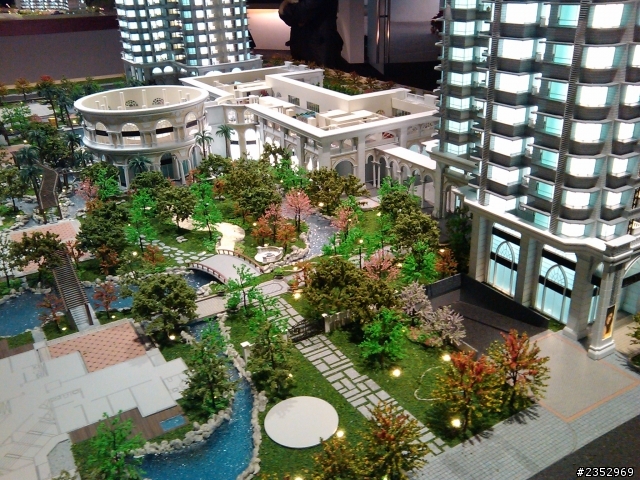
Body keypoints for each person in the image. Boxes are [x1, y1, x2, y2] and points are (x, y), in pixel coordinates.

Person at [279, 0, 344, 68]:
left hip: (318, 47)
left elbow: (301, 13)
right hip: (305, 45)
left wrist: (284, 7)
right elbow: (290, 19)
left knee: (320, 73)